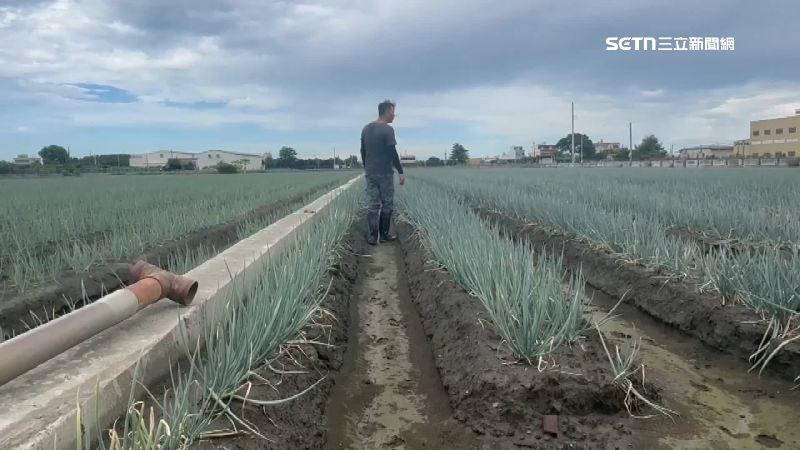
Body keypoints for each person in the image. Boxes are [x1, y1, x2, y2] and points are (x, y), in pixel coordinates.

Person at [360, 99, 406, 245]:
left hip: (370, 172)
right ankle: (384, 235)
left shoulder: (366, 129)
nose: (394, 115)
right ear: (386, 111)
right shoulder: (388, 130)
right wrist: (400, 171)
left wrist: (367, 166)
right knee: (387, 204)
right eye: (393, 112)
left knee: (372, 204)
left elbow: (363, 151)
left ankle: (372, 236)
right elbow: (392, 152)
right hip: (385, 173)